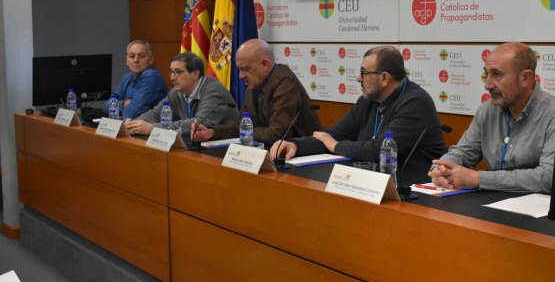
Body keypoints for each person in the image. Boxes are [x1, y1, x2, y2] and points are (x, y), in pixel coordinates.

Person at [270, 45, 446, 181]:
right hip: (371, 184)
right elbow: (333, 135)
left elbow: (380, 150)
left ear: (384, 78)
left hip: (411, 191)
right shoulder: (368, 101)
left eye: (364, 73)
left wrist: (337, 146)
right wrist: (296, 145)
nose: (358, 78)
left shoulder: (416, 102)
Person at [428, 42, 555, 193]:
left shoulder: (554, 114)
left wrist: (478, 179)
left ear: (525, 78)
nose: (487, 85)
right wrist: (441, 169)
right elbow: (463, 153)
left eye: (497, 75)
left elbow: (548, 177)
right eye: (487, 74)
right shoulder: (487, 111)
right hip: (490, 203)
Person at [192, 39, 322, 145]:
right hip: (271, 150)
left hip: (303, 153)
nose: (241, 76)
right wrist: (212, 132)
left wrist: (246, 130)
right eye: (239, 69)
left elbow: (278, 134)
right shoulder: (254, 84)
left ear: (265, 65)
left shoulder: (286, 83)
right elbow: (242, 122)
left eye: (245, 69)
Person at [125, 52, 239, 136]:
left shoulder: (214, 91)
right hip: (196, 143)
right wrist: (133, 124)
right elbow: (156, 113)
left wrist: (152, 129)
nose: (172, 78)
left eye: (178, 72)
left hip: (226, 147)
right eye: (171, 72)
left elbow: (198, 123)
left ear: (195, 74)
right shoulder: (176, 92)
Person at [103, 40, 168, 119]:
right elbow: (106, 107)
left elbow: (131, 113)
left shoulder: (153, 76)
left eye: (141, 56)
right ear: (127, 60)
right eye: (132, 56)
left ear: (151, 59)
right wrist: (124, 103)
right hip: (132, 126)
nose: (136, 60)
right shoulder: (126, 77)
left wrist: (117, 107)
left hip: (155, 128)